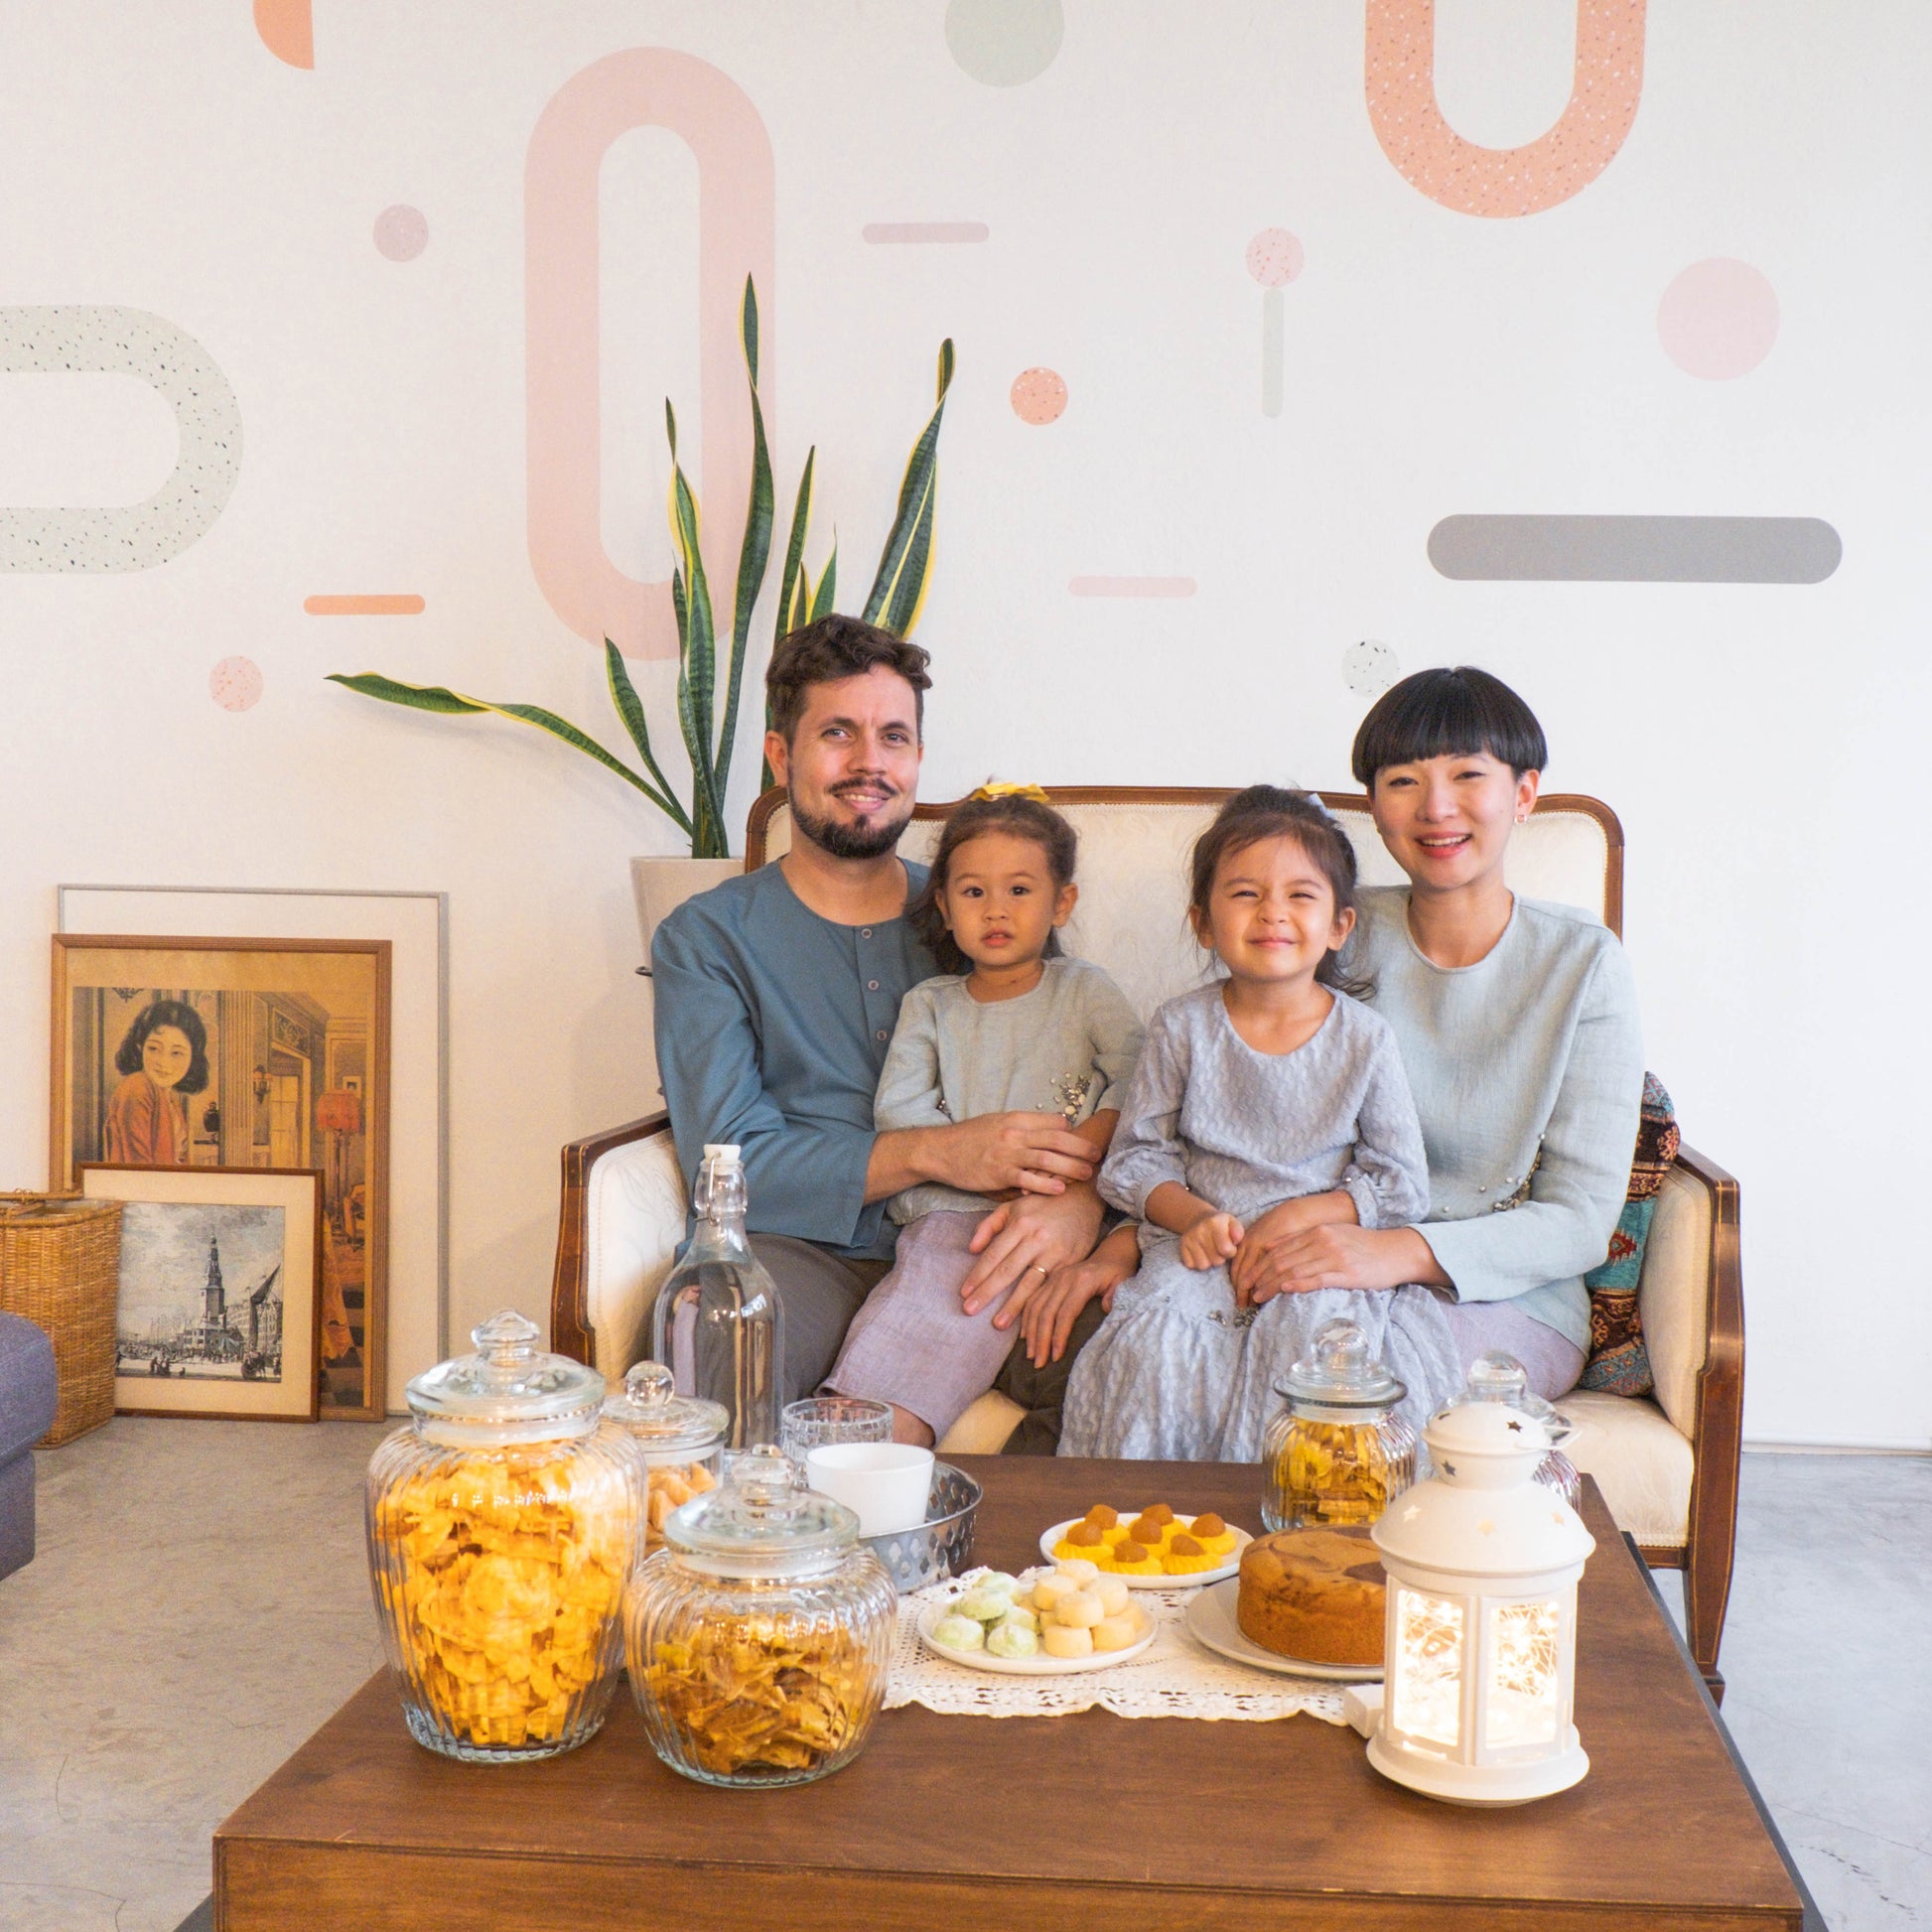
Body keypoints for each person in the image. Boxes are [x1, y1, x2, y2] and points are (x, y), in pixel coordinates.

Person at [650, 616, 1114, 1448]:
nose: (870, 762)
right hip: (801, 1252)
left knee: (1141, 1346)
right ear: (781, 757)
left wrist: (1079, 1205)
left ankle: (997, 1538)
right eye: (838, 733)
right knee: (716, 1321)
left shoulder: (987, 903)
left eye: (893, 737)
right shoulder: (707, 939)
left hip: (991, 1238)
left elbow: (1091, 1075)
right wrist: (937, 1151)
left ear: (918, 759)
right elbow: (726, 1166)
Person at [1217, 667, 1645, 1404]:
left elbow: (1579, 1219)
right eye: (1404, 781)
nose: (1436, 807)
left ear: (1524, 793)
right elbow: (1222, 1099)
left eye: (1468, 775)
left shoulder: (1583, 963)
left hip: (1504, 1294)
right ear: (1374, 808)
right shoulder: (1327, 931)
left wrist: (1396, 1252)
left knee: (1352, 1401)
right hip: (1316, 1263)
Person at [1062, 787, 1458, 1459]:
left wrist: (1301, 1217)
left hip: (1315, 1254)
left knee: (1315, 1351)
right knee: (1157, 1346)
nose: (1273, 911)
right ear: (1203, 922)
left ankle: (1291, 1515)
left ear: (1339, 925)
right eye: (1246, 894)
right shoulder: (1182, 1026)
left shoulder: (1364, 1038)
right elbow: (1134, 1161)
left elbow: (1400, 1182)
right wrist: (1194, 1218)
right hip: (1198, 1250)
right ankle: (1151, 1515)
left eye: (1300, 895)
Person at [821, 786, 1145, 1447]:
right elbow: (900, 1110)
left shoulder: (1084, 990)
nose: (995, 909)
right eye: (973, 892)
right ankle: (875, 1443)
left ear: (1061, 903)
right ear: (944, 906)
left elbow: (1142, 1075)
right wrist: (983, 1171)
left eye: (1020, 890)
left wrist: (1082, 1155)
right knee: (931, 1306)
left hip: (1071, 1216)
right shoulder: (931, 1004)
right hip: (955, 1216)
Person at [101, 999, 207, 1167]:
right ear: (140, 1047)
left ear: (192, 1057)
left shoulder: (169, 1098)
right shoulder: (137, 1087)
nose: (163, 1062)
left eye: (176, 1053)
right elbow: (138, 1166)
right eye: (154, 1049)